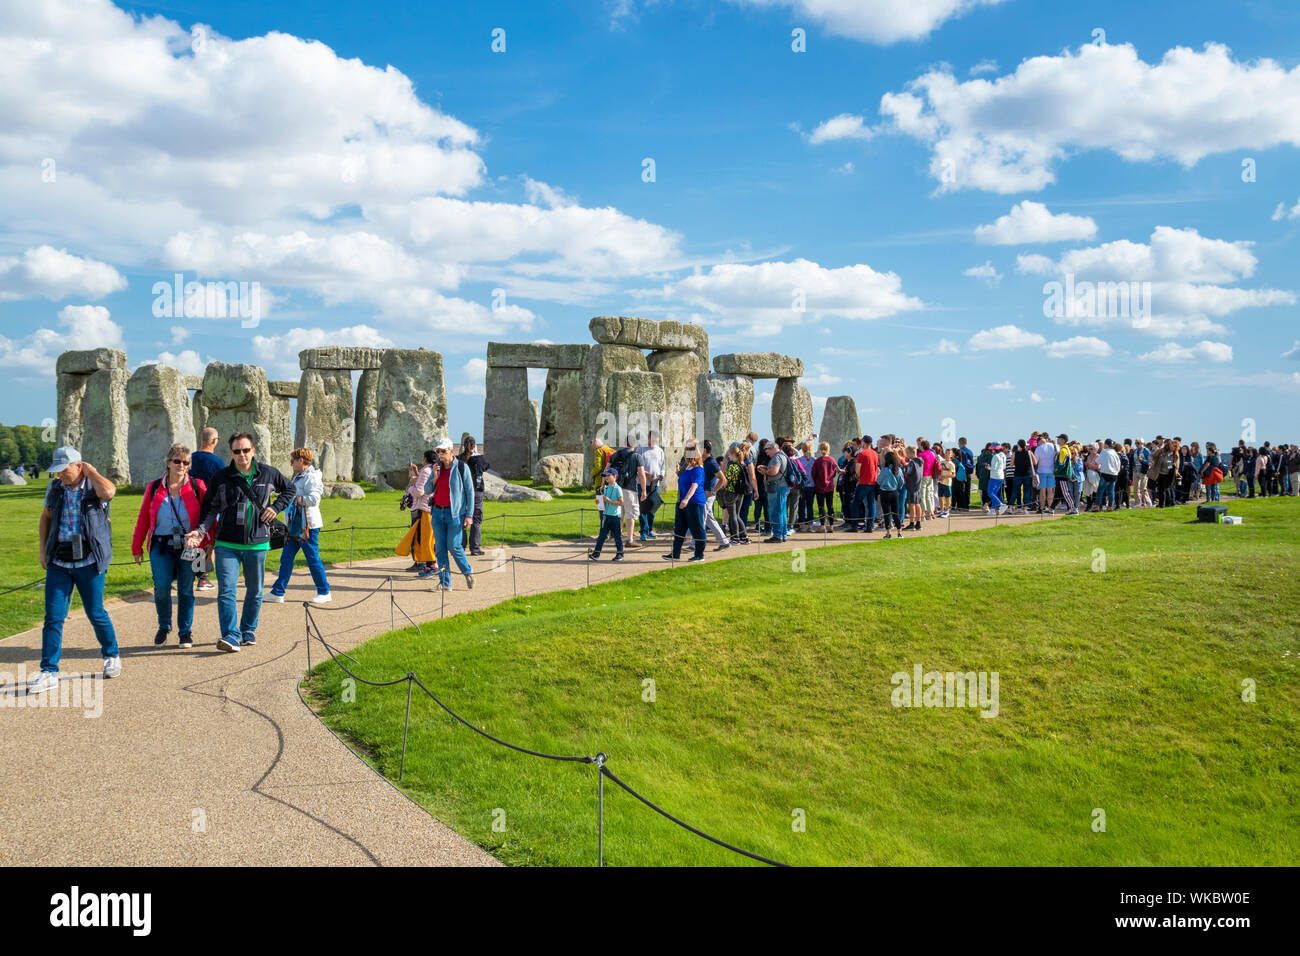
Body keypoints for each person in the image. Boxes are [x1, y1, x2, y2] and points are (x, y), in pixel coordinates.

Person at [185, 432, 294, 653]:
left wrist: (276, 507)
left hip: (258, 543)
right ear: (231, 453)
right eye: (237, 451)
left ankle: (248, 630)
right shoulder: (221, 477)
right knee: (226, 590)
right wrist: (199, 531)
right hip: (226, 543)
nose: (242, 455)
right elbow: (209, 509)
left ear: (253, 451)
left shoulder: (269, 474)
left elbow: (290, 489)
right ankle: (231, 635)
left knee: (254, 591)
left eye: (246, 450)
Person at [29, 447, 121, 694]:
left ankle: (111, 654)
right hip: (59, 561)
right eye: (56, 471)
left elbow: (110, 492)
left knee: (95, 612)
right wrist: (42, 551)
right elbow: (46, 516)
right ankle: (49, 670)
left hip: (89, 561)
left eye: (64, 470)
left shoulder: (94, 486)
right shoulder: (55, 488)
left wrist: (91, 471)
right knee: (53, 617)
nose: (59, 475)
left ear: (78, 466)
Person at [131, 443, 211, 647]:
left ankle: (185, 632)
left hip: (189, 545)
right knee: (161, 587)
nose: (181, 465)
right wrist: (136, 545)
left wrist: (208, 542)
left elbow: (209, 516)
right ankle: (164, 626)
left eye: (185, 462)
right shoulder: (154, 487)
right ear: (168, 463)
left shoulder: (197, 486)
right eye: (177, 461)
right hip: (160, 543)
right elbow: (143, 518)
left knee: (185, 589)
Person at [267, 448, 331, 605]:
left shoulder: (312, 477)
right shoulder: (298, 476)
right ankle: (278, 592)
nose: (291, 464)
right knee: (286, 558)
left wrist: (293, 498)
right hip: (294, 524)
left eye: (293, 461)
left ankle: (324, 591)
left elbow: (314, 499)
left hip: (307, 525)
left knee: (312, 558)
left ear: (301, 460)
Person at [422, 438, 475, 591]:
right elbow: (426, 491)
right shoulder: (436, 468)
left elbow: (470, 493)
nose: (440, 454)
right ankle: (445, 583)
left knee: (454, 546)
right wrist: (435, 478)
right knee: (439, 548)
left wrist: (469, 515)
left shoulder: (461, 468)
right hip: (438, 512)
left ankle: (468, 572)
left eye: (443, 451)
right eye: (437, 451)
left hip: (455, 513)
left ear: (451, 451)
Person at [188, 427, 225, 591]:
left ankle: (189, 575)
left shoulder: (190, 459)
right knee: (210, 542)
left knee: (194, 539)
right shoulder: (217, 463)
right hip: (210, 506)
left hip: (189, 503)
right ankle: (203, 577)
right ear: (215, 441)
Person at [666, 439, 707, 562]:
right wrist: (678, 472)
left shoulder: (698, 469)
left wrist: (686, 499)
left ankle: (699, 554)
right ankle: (675, 553)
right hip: (682, 501)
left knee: (697, 528)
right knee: (679, 528)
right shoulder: (688, 467)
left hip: (694, 502)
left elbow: (694, 485)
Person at [398, 451, 438, 575]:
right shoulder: (432, 470)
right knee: (426, 538)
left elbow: (419, 491)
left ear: (425, 459)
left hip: (423, 509)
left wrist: (410, 487)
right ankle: (428, 564)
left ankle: (431, 565)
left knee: (423, 538)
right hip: (428, 508)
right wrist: (416, 473)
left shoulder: (426, 471)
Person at [608, 435, 647, 547]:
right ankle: (629, 540)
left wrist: (604, 486)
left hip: (615, 488)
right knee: (630, 515)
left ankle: (617, 538)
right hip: (629, 488)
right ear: (634, 445)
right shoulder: (637, 456)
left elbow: (607, 470)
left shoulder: (614, 455)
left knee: (619, 514)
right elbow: (641, 474)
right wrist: (644, 490)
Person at [459, 436, 491, 556]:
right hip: (476, 491)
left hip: (463, 492)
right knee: (476, 519)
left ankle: (461, 546)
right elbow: (486, 466)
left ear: (463, 446)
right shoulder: (478, 459)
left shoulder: (460, 459)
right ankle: (475, 547)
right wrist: (477, 453)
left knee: (463, 517)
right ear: (474, 446)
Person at [587, 467, 625, 561]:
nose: (606, 478)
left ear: (614, 476)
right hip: (606, 515)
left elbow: (621, 503)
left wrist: (609, 500)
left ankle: (620, 554)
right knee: (601, 536)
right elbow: (604, 500)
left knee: (617, 536)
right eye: (605, 476)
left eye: (608, 475)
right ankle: (596, 554)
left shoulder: (618, 489)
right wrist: (599, 502)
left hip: (615, 517)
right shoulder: (606, 488)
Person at [700, 439, 730, 550]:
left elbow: (723, 479)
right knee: (708, 519)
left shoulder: (711, 462)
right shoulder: (703, 461)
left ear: (703, 450)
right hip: (704, 493)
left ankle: (695, 545)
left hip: (707, 495)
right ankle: (724, 542)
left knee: (701, 519)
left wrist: (713, 492)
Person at [759, 441, 791, 543]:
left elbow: (774, 472)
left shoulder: (776, 457)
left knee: (776, 512)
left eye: (767, 450)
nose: (766, 452)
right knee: (782, 512)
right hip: (783, 486)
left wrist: (764, 471)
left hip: (776, 487)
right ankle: (783, 534)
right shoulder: (783, 455)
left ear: (772, 448)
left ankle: (777, 535)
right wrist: (767, 468)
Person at [636, 431, 666, 540]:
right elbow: (637, 465)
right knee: (643, 508)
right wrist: (645, 474)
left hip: (654, 484)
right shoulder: (641, 449)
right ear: (648, 438)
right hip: (642, 483)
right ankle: (643, 531)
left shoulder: (660, 451)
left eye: (656, 440)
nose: (654, 442)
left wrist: (660, 476)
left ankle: (650, 530)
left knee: (653, 507)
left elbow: (662, 466)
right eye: (652, 439)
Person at [853, 434, 879, 533]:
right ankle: (870, 526)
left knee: (856, 503)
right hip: (872, 481)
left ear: (864, 442)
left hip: (864, 482)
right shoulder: (875, 453)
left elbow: (857, 470)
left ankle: (854, 525)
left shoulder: (862, 454)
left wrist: (859, 476)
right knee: (871, 504)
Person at [877, 451, 904, 538]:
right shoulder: (898, 470)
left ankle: (888, 533)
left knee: (886, 513)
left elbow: (878, 481)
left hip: (885, 492)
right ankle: (899, 532)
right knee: (896, 513)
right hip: (895, 492)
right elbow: (901, 482)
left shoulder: (884, 470)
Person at [812, 442, 837, 529]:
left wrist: (817, 480)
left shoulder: (818, 461)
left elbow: (813, 473)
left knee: (821, 506)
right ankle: (831, 525)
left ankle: (822, 525)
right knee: (830, 506)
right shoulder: (832, 460)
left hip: (820, 486)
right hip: (829, 486)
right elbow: (834, 472)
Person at [1033, 433, 1057, 513]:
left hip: (1041, 471)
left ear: (1039, 442)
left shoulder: (1039, 448)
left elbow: (1035, 461)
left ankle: (1042, 508)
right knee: (1050, 491)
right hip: (1051, 471)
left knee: (1042, 491)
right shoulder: (1052, 446)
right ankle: (1050, 508)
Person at [986, 443, 1007, 515]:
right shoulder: (1003, 455)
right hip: (1001, 476)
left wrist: (988, 467)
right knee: (994, 493)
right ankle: (993, 510)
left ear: (995, 449)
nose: (991, 450)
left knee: (990, 492)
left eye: (992, 449)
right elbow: (1004, 467)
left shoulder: (995, 456)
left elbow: (993, 468)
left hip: (994, 476)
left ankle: (1001, 505)